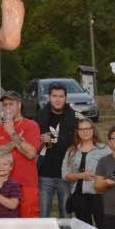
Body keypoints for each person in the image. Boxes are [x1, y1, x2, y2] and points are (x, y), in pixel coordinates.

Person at [0, 90, 41, 217]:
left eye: (11, 104)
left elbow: (31, 153)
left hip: (26, 184)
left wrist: (12, 132)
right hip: (3, 186)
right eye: (5, 105)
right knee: (5, 225)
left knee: (27, 224)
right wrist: (14, 143)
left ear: (19, 105)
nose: (7, 108)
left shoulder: (31, 125)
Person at [36, 82, 78, 218]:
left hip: (65, 173)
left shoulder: (73, 118)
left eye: (61, 96)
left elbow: (75, 144)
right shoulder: (41, 116)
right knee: (43, 217)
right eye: (54, 96)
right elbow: (36, 147)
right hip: (45, 174)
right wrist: (44, 143)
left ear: (66, 98)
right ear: (49, 97)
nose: (58, 99)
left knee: (66, 215)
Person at [62, 118, 111, 227]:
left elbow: (112, 170)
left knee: (103, 227)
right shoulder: (71, 151)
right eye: (82, 129)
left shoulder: (105, 149)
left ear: (93, 130)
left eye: (88, 128)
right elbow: (65, 175)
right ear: (77, 132)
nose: (85, 131)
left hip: (99, 194)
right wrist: (81, 175)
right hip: (78, 196)